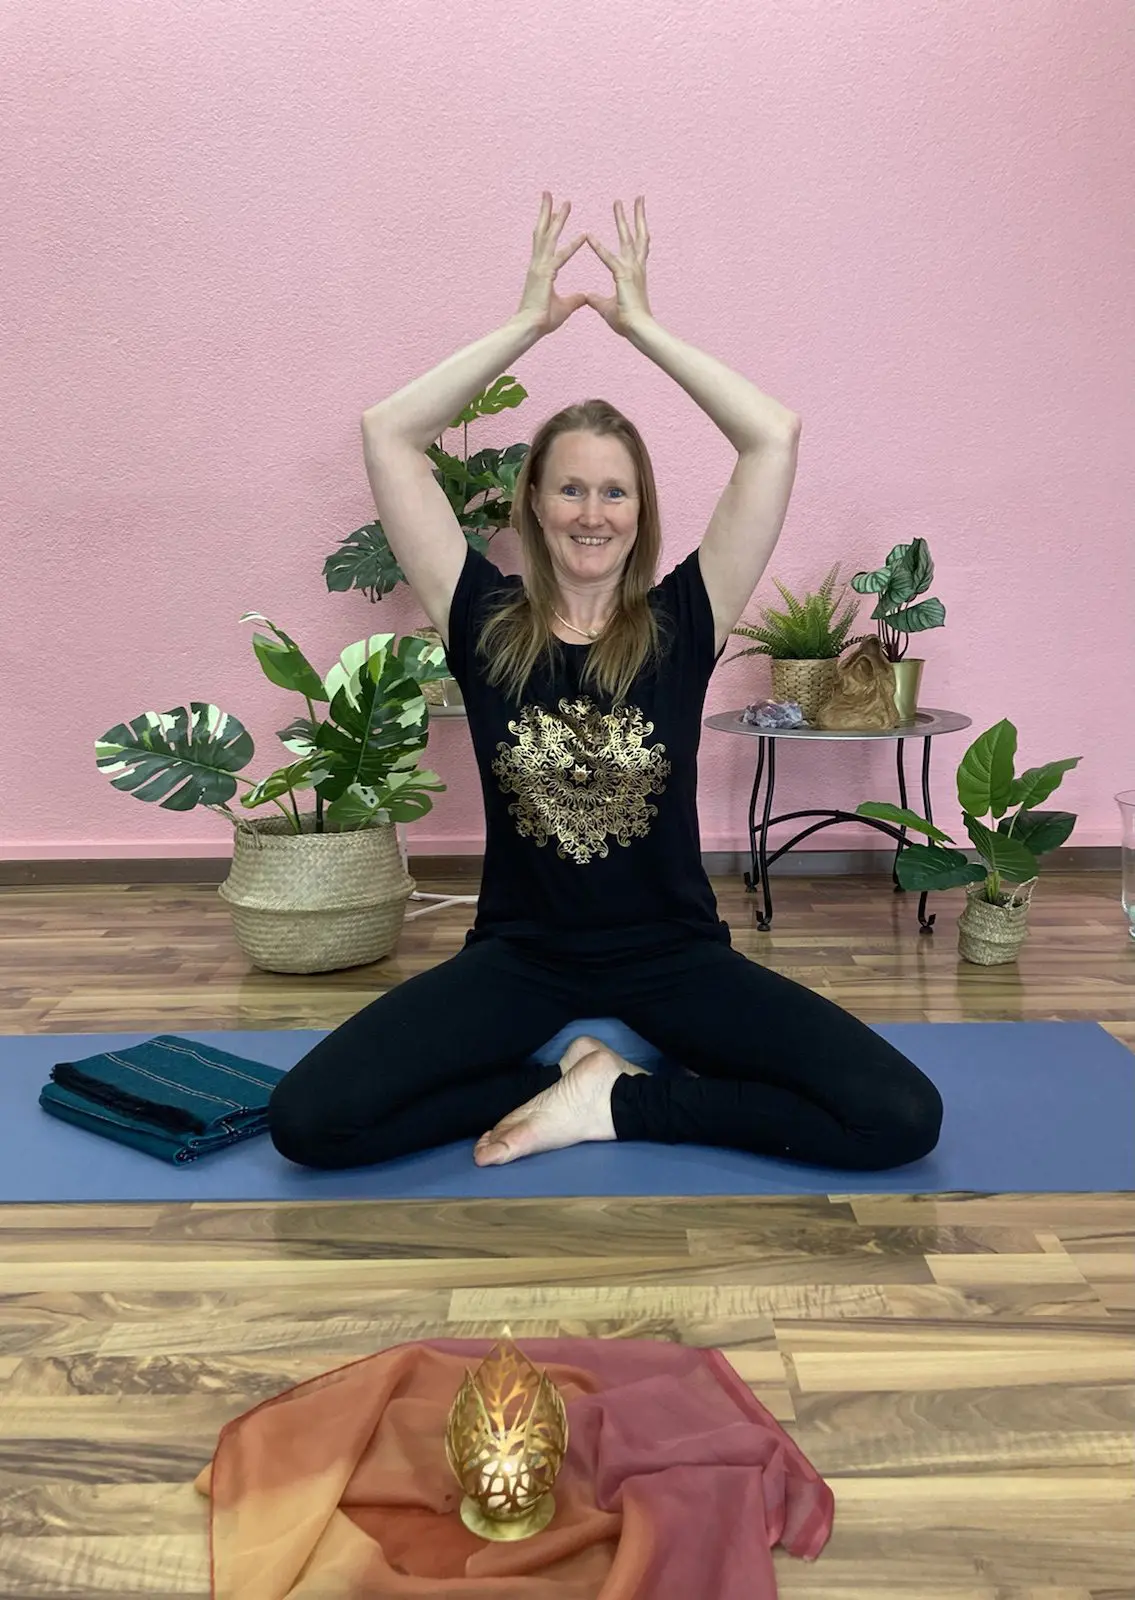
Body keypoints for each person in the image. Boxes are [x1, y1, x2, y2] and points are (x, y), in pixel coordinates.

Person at [268, 193, 943, 1174]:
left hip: (672, 954)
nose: (593, 512)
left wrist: (640, 328)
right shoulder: (483, 620)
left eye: (615, 490)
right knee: (311, 1122)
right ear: (534, 504)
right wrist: (527, 323)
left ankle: (614, 1102)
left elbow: (772, 437)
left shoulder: (680, 621)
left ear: (640, 509)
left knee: (899, 1117)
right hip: (520, 957)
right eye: (571, 487)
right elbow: (387, 434)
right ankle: (564, 1087)